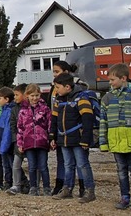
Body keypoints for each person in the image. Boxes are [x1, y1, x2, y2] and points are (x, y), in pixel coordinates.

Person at [98, 63, 131, 211]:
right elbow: (103, 122)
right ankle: (124, 197)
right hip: (116, 142)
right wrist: (103, 142)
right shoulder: (107, 99)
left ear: (123, 78)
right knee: (121, 170)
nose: (109, 83)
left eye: (112, 79)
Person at [51, 73, 97, 203]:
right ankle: (67, 189)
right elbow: (54, 120)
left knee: (82, 164)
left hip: (78, 139)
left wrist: (86, 139)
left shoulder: (81, 98)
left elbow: (88, 119)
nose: (56, 90)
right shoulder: (58, 100)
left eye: (58, 87)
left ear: (67, 87)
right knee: (68, 165)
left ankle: (89, 191)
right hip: (64, 139)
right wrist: (52, 136)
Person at [50, 60, 85, 196]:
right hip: (60, 130)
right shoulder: (55, 89)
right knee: (63, 161)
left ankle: (83, 187)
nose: (54, 74)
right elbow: (52, 111)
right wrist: (52, 133)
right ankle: (62, 186)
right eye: (53, 71)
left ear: (66, 72)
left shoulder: (79, 89)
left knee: (80, 161)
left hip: (75, 131)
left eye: (57, 71)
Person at [16, 84, 52, 196]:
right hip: (28, 142)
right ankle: (33, 187)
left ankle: (46, 187)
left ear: (40, 95)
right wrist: (20, 143)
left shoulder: (45, 109)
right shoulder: (23, 111)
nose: (34, 98)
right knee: (31, 167)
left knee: (43, 166)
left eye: (37, 95)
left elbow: (49, 124)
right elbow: (20, 128)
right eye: (32, 95)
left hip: (42, 141)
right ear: (27, 95)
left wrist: (50, 139)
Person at [5, 84, 30, 195]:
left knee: (34, 165)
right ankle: (16, 185)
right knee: (16, 164)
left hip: (32, 141)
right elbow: (13, 125)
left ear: (25, 95)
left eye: (16, 95)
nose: (14, 97)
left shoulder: (32, 108)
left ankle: (34, 185)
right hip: (18, 141)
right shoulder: (14, 109)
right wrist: (17, 140)